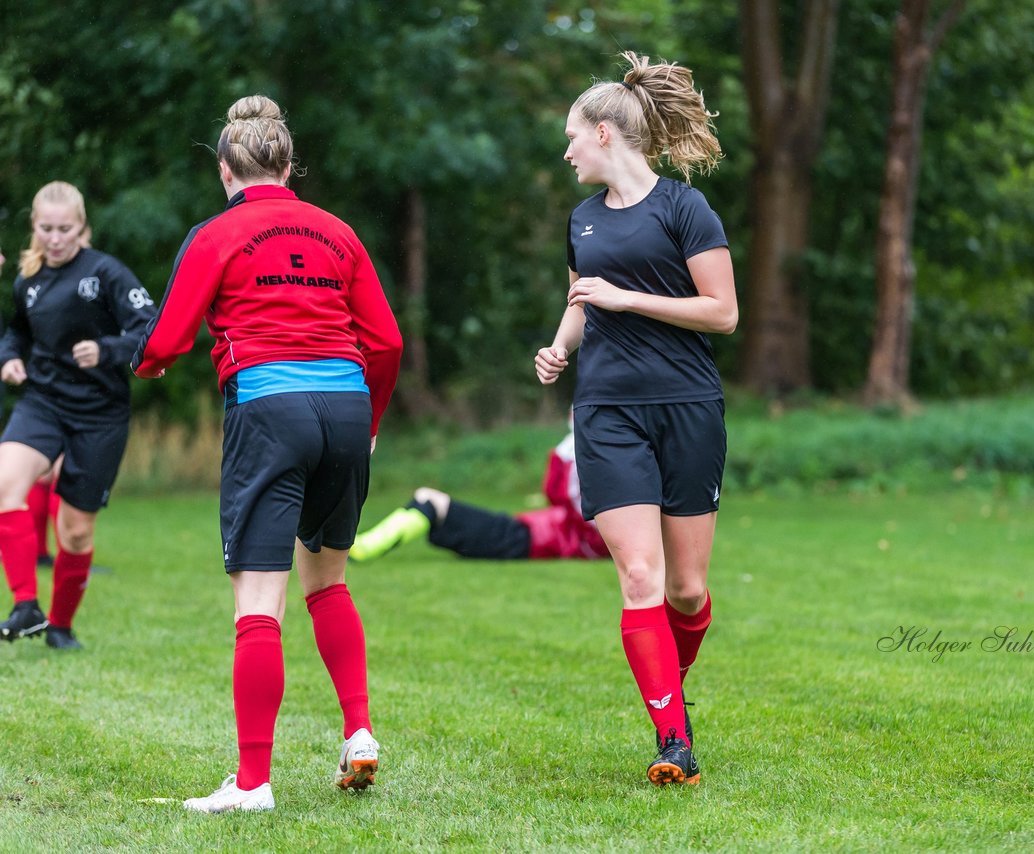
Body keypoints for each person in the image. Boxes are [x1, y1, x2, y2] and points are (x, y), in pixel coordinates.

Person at [131, 95, 403, 814]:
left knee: (259, 602)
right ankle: (359, 730)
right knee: (328, 581)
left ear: (227, 169)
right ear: (288, 165)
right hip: (345, 406)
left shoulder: (217, 233)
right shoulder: (339, 231)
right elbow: (388, 342)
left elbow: (166, 342)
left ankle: (252, 784)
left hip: (269, 408)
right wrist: (369, 421)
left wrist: (145, 366)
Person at [534, 51, 736, 786]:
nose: (567, 152)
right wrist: (559, 348)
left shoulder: (685, 208)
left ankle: (670, 700)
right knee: (640, 575)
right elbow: (581, 299)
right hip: (607, 412)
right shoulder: (582, 221)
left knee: (686, 589)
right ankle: (673, 741)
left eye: (572, 136)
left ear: (606, 134)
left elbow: (723, 313)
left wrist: (628, 299)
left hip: (687, 409)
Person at [0, 181, 156, 650]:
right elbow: (17, 332)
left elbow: (151, 326)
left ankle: (61, 627)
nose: (55, 238)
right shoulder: (27, 280)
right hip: (43, 402)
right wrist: (8, 357)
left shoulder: (106, 272)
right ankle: (25, 605)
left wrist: (107, 349)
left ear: (82, 227)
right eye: (46, 228)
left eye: (64, 228)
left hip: (100, 414)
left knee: (75, 530)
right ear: (34, 227)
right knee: (6, 483)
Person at [350, 422, 608, 563]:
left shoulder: (602, 533)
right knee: (430, 500)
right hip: (521, 532)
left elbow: (556, 492)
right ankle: (362, 545)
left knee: (430, 500)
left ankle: (363, 548)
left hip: (522, 539)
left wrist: (568, 447)